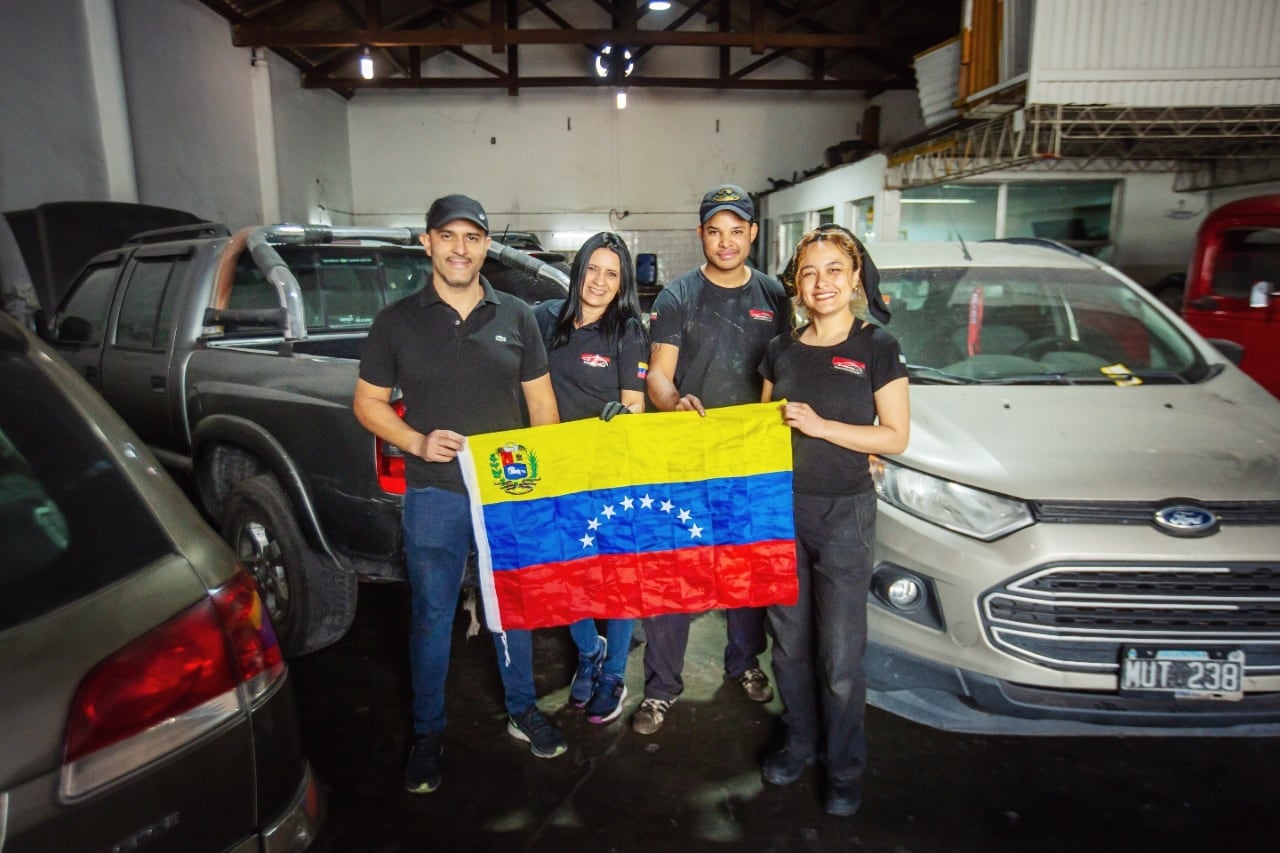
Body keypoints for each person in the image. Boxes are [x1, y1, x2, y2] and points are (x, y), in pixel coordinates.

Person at [353, 193, 566, 796]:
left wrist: (540, 481)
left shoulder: (518, 316)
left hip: (507, 496)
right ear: (428, 243)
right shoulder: (396, 321)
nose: (460, 248)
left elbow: (542, 405)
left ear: (484, 247)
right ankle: (427, 732)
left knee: (513, 610)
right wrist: (417, 443)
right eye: (448, 236)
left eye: (473, 238)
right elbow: (367, 404)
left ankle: (523, 708)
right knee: (430, 615)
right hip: (436, 497)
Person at [757, 224, 910, 817]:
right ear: (796, 283)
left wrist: (823, 428)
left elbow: (895, 435)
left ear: (853, 281)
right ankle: (799, 744)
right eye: (810, 272)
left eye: (834, 271)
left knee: (841, 656)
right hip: (780, 511)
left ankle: (844, 767)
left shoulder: (877, 347)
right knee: (789, 645)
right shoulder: (781, 350)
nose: (821, 283)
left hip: (844, 513)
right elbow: (763, 428)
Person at [634, 184, 791, 735]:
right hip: (686, 459)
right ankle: (659, 689)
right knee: (673, 574)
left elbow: (800, 369)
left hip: (752, 462)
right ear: (701, 234)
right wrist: (674, 401)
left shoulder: (776, 296)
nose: (726, 241)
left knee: (747, 573)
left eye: (736, 230)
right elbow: (658, 373)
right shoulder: (678, 296)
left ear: (752, 233)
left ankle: (744, 662)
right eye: (715, 230)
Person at [533, 231, 649, 724]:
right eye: (593, 269)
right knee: (565, 576)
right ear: (578, 269)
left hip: (611, 473)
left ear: (622, 283)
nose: (599, 282)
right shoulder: (545, 321)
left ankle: (615, 673)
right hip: (559, 474)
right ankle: (589, 652)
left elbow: (638, 404)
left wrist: (622, 414)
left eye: (612, 274)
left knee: (617, 578)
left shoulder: (627, 331)